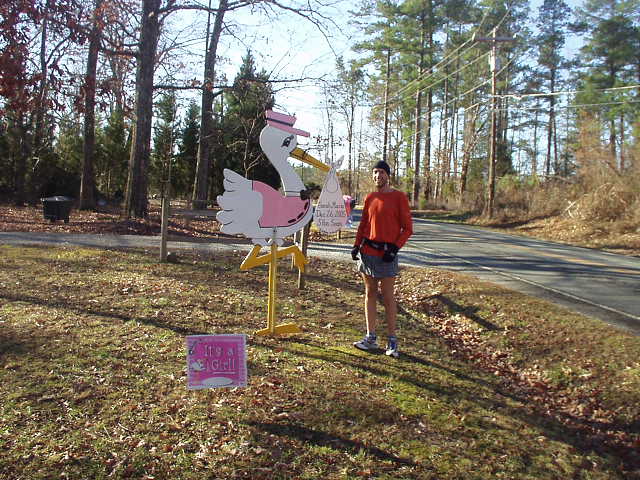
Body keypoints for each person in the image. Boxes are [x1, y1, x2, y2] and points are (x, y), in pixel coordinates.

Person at [351, 160, 413, 358]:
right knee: (369, 294)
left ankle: (392, 340)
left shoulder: (399, 198)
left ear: (388, 175)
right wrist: (356, 245)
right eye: (375, 173)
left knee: (387, 297)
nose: (378, 176)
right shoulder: (370, 198)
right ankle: (370, 337)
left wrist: (394, 248)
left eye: (381, 173)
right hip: (368, 253)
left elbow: (408, 228)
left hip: (387, 255)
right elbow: (363, 225)